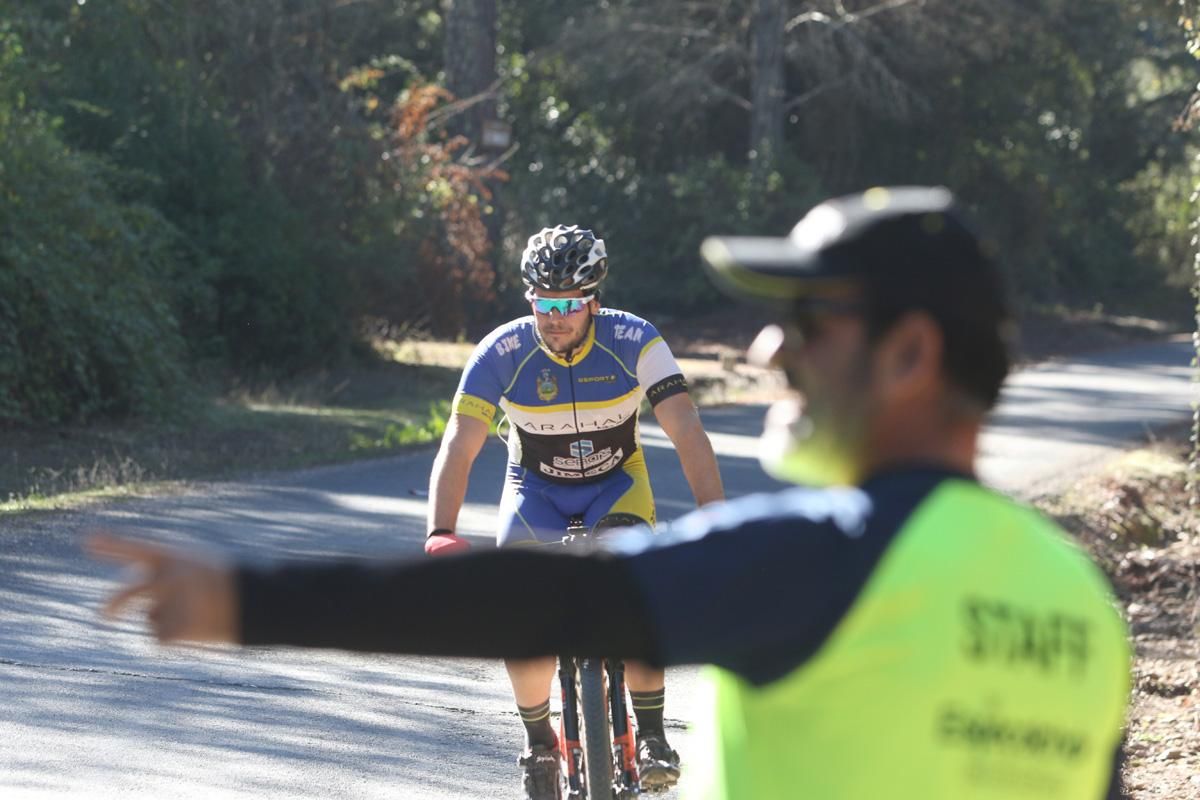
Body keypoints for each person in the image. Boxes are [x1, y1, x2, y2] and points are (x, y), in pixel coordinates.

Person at [92, 187, 1132, 800]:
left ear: (909, 352)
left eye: (812, 322)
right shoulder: (1077, 597)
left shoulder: (823, 556)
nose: (772, 348)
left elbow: (543, 599)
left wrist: (247, 600)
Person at [425, 223, 725, 796]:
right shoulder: (501, 351)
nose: (554, 315)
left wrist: (716, 516)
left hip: (616, 484)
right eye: (543, 301)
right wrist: (441, 530)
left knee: (633, 592)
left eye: (569, 303)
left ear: (594, 301)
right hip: (534, 489)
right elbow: (459, 443)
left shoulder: (635, 340)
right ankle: (540, 743)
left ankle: (654, 734)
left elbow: (687, 430)